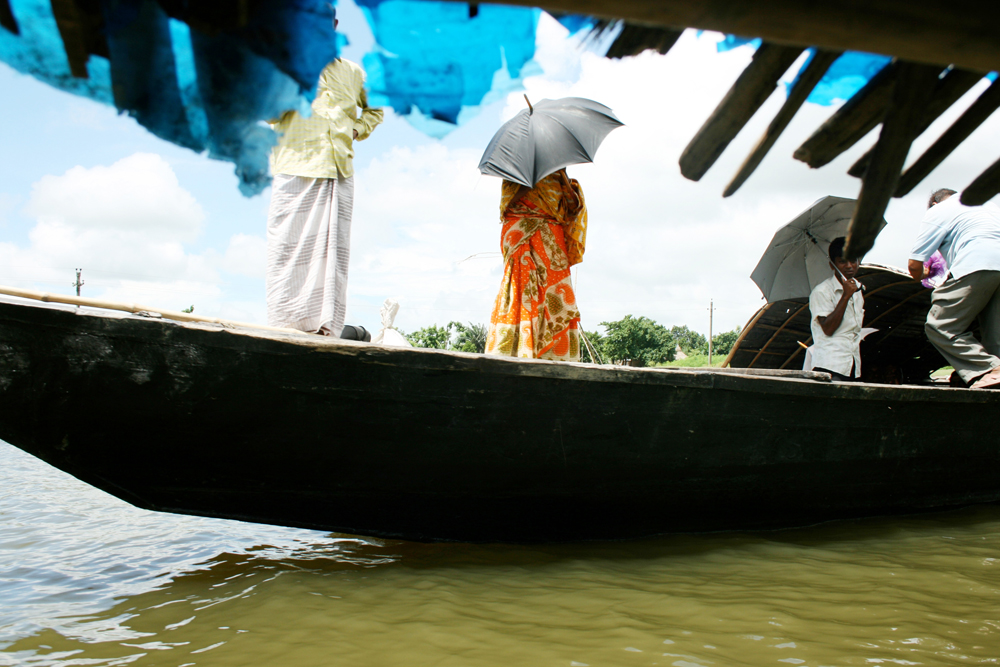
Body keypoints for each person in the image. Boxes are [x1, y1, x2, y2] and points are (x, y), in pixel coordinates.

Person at [266, 11, 384, 336]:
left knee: (334, 252)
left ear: (333, 26)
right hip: (296, 165)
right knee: (287, 249)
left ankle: (325, 328)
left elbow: (376, 107)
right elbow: (268, 114)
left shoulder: (353, 72)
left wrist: (358, 129)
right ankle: (284, 325)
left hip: (339, 168)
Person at [484, 169, 586, 361]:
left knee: (555, 292)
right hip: (520, 233)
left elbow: (572, 209)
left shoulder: (557, 172)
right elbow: (507, 205)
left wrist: (563, 176)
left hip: (550, 238)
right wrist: (530, 181)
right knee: (520, 292)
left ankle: (557, 358)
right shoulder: (513, 170)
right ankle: (513, 355)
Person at [908, 188, 1000, 389]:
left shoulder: (938, 211)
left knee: (940, 325)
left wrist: (926, 273)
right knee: (995, 335)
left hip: (977, 262)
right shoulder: (986, 205)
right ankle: (994, 373)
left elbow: (914, 266)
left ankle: (989, 367)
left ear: (934, 204)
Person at [808, 236, 864, 380]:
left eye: (853, 260)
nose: (849, 266)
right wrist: (845, 296)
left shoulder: (858, 291)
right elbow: (828, 328)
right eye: (842, 261)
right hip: (829, 366)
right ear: (832, 265)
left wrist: (850, 293)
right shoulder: (822, 292)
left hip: (852, 366)